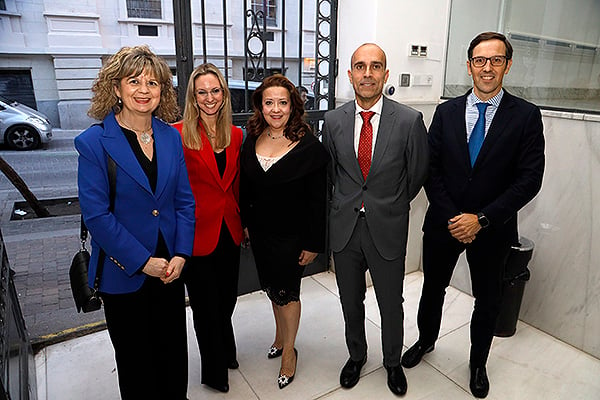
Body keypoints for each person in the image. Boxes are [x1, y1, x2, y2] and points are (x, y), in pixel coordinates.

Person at [401, 32, 545, 399]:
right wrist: (455, 218)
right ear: (468, 66)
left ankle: (478, 363)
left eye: (496, 60)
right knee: (432, 288)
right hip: (444, 223)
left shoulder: (526, 116)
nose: (487, 68)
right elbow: (430, 170)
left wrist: (480, 219)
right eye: (480, 60)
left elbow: (529, 180)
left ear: (507, 66)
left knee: (488, 299)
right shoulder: (446, 112)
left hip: (493, 228)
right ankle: (426, 341)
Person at [75, 45, 195, 400]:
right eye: (134, 81)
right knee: (135, 362)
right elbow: (97, 217)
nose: (144, 90)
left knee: (173, 354)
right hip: (124, 271)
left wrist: (182, 254)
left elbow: (184, 202)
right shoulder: (94, 143)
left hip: (170, 267)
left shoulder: (171, 137)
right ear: (116, 88)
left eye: (153, 82)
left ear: (163, 91)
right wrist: (144, 263)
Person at [322, 43, 429, 396]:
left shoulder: (410, 121)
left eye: (375, 66)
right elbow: (332, 173)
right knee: (350, 300)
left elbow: (416, 176)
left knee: (390, 302)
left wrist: (389, 205)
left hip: (387, 228)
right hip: (346, 229)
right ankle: (356, 355)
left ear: (385, 74)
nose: (367, 73)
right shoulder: (333, 120)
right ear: (349, 74)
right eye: (360, 66)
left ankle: (392, 362)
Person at [240, 74, 329, 389]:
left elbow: (319, 202)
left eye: (282, 102)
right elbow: (246, 188)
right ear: (260, 107)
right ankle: (279, 337)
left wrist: (313, 242)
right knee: (272, 290)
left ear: (293, 106)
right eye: (269, 103)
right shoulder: (251, 138)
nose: (275, 109)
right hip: (261, 235)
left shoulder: (310, 148)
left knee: (288, 294)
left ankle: (289, 351)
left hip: (292, 239)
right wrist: (246, 225)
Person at [172, 63, 244, 393]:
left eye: (216, 91)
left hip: (229, 229)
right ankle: (215, 373)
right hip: (195, 235)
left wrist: (243, 221)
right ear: (193, 97)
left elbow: (237, 184)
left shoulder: (237, 135)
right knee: (205, 307)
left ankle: (226, 350)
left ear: (224, 94)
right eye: (203, 92)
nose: (210, 97)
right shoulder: (176, 134)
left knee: (227, 299)